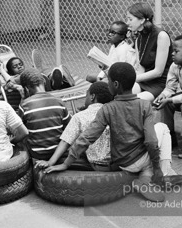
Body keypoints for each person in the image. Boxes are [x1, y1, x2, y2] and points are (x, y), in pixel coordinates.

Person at [43, 62, 166, 202]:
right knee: (159, 137)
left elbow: (87, 138)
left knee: (142, 158)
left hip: (123, 163)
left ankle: (145, 178)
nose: (107, 84)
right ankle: (150, 178)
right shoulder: (145, 105)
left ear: (115, 84)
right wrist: (157, 167)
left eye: (108, 81)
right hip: (142, 158)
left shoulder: (108, 109)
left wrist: (66, 163)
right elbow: (151, 141)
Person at [35, 81, 114, 171]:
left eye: (86, 95)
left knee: (71, 149)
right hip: (116, 163)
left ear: (92, 97)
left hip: (96, 165)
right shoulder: (115, 112)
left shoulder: (79, 117)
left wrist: (50, 162)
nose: (85, 98)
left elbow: (65, 141)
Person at [18, 68, 73, 161]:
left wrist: (23, 99)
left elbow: (21, 131)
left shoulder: (24, 105)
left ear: (26, 88)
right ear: (44, 82)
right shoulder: (59, 102)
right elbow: (69, 127)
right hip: (59, 152)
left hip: (37, 154)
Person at [126, 2, 173, 101]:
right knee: (122, 95)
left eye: (130, 19)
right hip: (144, 80)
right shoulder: (139, 38)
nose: (127, 22)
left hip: (160, 83)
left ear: (142, 20)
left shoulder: (161, 36)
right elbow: (140, 69)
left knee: (134, 101)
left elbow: (158, 72)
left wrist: (131, 79)